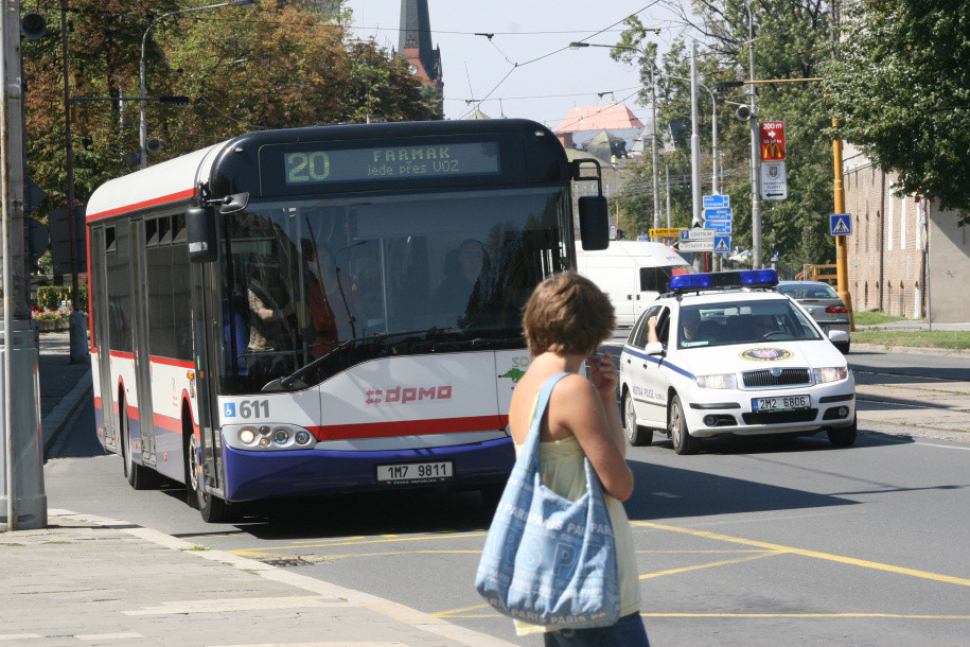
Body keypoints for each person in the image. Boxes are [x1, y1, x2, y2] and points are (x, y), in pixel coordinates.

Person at [505, 272, 649, 646]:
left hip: (556, 577)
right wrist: (593, 397)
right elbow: (620, 484)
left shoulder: (525, 387)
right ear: (591, 330)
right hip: (594, 580)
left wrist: (606, 398)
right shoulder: (571, 390)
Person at [430, 239, 487, 316]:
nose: (475, 258)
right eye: (469, 255)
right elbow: (437, 319)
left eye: (479, 254)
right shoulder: (447, 289)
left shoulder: (495, 284)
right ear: (460, 258)